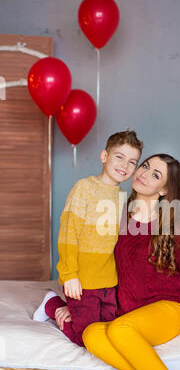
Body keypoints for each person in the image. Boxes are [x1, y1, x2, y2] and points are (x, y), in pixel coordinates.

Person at [37, 153, 180, 370]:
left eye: (156, 174)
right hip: (127, 314)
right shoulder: (115, 215)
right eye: (145, 166)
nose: (144, 173)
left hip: (166, 311)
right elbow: (95, 264)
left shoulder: (172, 226)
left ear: (164, 190)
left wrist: (166, 292)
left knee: (118, 331)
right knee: (91, 334)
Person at [33, 130, 143, 347]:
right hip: (82, 280)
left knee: (107, 332)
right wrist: (69, 275)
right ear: (104, 157)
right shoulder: (84, 188)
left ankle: (70, 307)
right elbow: (68, 234)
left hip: (110, 281)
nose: (125, 165)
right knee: (86, 339)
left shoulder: (123, 198)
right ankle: (53, 305)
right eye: (119, 157)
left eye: (132, 162)